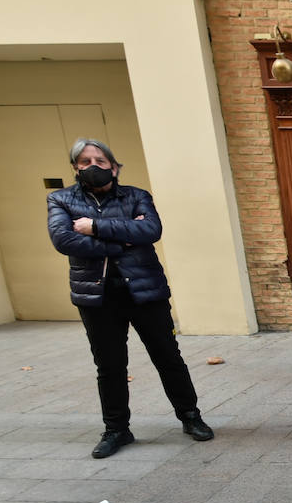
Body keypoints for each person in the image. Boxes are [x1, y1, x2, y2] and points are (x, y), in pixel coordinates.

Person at [46, 139, 214, 459]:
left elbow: (150, 230)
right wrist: (121, 242)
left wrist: (94, 227)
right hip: (97, 295)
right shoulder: (61, 199)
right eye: (84, 161)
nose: (93, 166)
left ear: (114, 166)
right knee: (109, 365)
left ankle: (191, 417)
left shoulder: (137, 196)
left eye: (100, 160)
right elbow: (64, 239)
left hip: (144, 291)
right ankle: (116, 430)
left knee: (167, 357)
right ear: (75, 168)